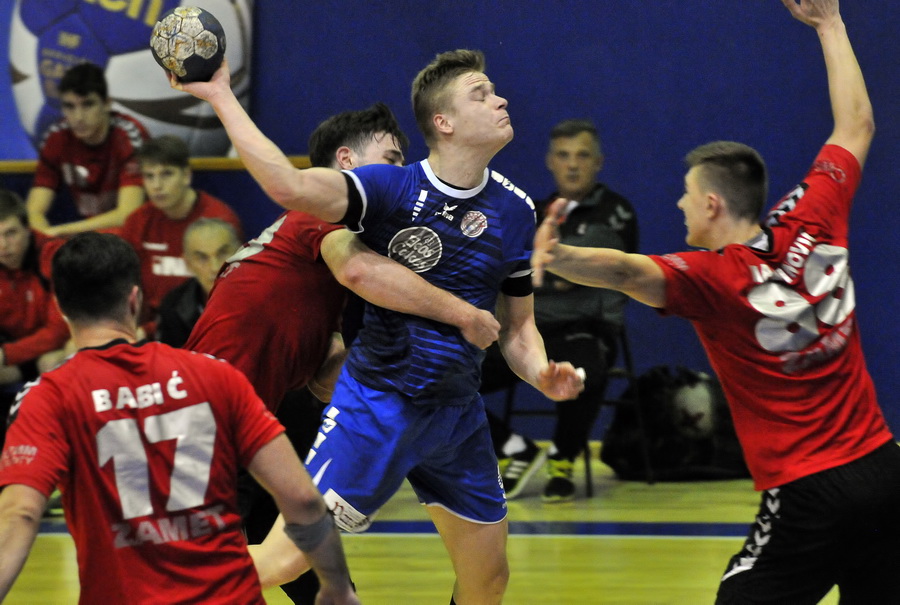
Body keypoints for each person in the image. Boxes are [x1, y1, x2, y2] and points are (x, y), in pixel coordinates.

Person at [172, 49, 585, 605]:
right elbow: (292, 189)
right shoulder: (389, 190)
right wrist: (221, 94)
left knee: (488, 579)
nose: (501, 99)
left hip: (457, 414)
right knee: (283, 560)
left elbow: (518, 329)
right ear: (444, 121)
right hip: (378, 406)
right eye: (481, 93)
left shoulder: (515, 211)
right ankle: (154, 581)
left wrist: (540, 372)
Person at [532, 1, 900, 601]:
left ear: (711, 204)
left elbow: (624, 270)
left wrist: (557, 254)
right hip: (884, 469)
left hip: (808, 492)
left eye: (686, 194)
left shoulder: (713, 279)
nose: (679, 204)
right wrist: (831, 23)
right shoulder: (815, 213)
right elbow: (856, 125)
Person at [186, 102, 501, 604]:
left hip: (254, 420)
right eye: (392, 159)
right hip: (207, 419)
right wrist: (463, 315)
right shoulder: (325, 214)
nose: (403, 174)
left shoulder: (312, 253)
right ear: (347, 162)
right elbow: (360, 273)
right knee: (207, 568)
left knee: (307, 560)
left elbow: (325, 373)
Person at [0, 232, 359, 605]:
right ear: (135, 299)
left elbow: (21, 514)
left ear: (60, 307)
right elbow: (303, 502)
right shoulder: (215, 376)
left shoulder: (47, 397)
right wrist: (334, 586)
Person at [481, 118, 638, 502]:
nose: (572, 165)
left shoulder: (615, 212)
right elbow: (510, 273)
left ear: (598, 162)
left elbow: (594, 272)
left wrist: (544, 272)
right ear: (550, 161)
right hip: (530, 329)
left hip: (587, 328)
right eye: (564, 156)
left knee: (585, 371)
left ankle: (563, 458)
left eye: (582, 156)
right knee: (449, 376)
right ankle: (515, 448)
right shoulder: (533, 212)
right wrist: (549, 276)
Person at [121, 134, 244, 336]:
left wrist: (148, 331)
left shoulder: (218, 221)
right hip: (148, 332)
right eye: (149, 176)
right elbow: (126, 288)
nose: (157, 185)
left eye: (166, 174)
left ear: (186, 175)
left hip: (202, 329)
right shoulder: (137, 222)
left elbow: (230, 296)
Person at [25, 62, 149, 236]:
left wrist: (59, 231)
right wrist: (45, 236)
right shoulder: (57, 138)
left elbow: (127, 215)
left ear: (107, 104)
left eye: (88, 105)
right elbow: (33, 212)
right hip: (86, 238)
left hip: (132, 238)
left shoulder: (129, 135)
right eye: (69, 107)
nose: (78, 117)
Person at [0, 189, 68, 446]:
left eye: (11, 233)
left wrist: (6, 354)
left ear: (28, 230)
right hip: (14, 352)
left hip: (53, 349)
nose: (3, 245)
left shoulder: (53, 254)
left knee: (53, 363)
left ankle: (61, 446)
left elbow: (59, 330)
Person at [156, 217, 241, 347]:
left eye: (222, 253)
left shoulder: (264, 299)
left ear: (241, 252)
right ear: (188, 263)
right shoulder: (173, 307)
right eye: (202, 258)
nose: (215, 267)